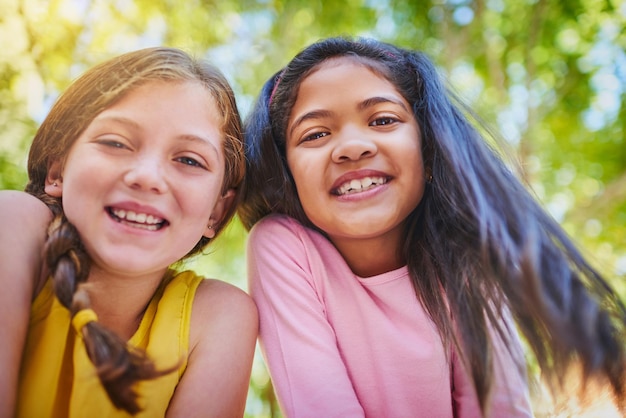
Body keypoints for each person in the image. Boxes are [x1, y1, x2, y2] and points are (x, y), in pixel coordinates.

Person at [238, 36, 626, 417]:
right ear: (285, 173)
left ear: (428, 149)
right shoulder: (282, 245)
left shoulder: (463, 254)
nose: (353, 147)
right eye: (316, 134)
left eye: (383, 120)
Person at [0, 47, 258, 417]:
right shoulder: (13, 227)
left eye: (188, 160)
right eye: (115, 143)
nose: (147, 177)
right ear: (57, 170)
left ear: (216, 211)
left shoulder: (219, 316)